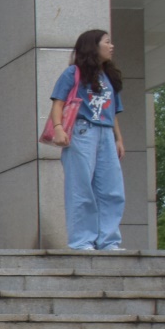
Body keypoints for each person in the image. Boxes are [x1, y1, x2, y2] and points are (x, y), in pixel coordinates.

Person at [48, 29, 126, 250]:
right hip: (82, 131)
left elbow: (113, 112)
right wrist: (58, 128)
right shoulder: (73, 73)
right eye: (107, 42)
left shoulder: (109, 77)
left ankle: (108, 241)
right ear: (93, 46)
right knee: (80, 188)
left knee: (112, 189)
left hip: (106, 134)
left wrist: (118, 139)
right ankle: (82, 241)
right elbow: (58, 103)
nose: (111, 46)